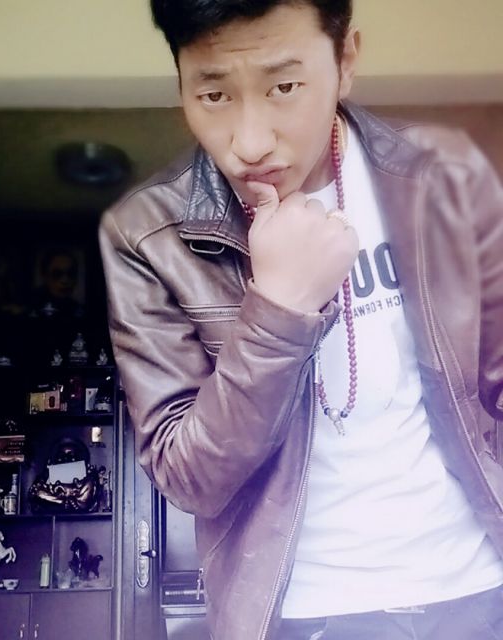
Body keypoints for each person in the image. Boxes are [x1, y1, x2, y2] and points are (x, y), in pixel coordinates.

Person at [98, 2, 503, 639]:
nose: (250, 142)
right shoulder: (147, 236)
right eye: (214, 94)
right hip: (297, 614)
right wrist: (280, 309)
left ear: (346, 61)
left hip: (477, 588)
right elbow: (188, 478)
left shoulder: (442, 177)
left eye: (284, 86)